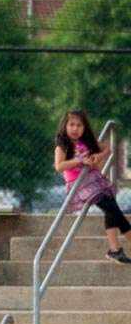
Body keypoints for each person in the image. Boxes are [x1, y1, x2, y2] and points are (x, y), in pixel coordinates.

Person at [54, 109, 131, 263]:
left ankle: (114, 250)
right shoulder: (63, 146)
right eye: (72, 125)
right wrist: (79, 161)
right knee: (112, 209)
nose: (75, 129)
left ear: (84, 127)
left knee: (115, 212)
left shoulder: (87, 142)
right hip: (80, 184)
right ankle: (114, 250)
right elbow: (59, 166)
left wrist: (98, 156)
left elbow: (107, 149)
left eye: (79, 125)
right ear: (65, 126)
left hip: (95, 179)